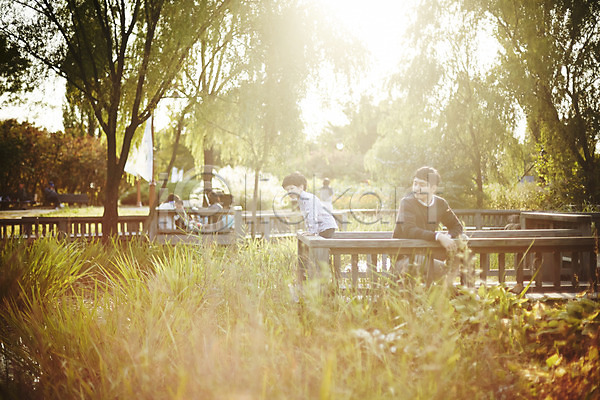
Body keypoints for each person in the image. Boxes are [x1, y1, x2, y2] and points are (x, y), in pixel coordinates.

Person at [392, 166, 464, 284]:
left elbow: (457, 226)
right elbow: (409, 230)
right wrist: (438, 236)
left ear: (433, 188)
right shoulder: (407, 203)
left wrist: (448, 237)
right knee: (439, 269)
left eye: (422, 185)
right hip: (405, 258)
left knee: (462, 240)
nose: (416, 188)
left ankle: (447, 289)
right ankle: (445, 289)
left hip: (428, 256)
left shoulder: (440, 204)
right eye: (415, 183)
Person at [282, 172, 338, 238]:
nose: (289, 192)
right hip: (321, 227)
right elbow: (306, 216)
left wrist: (312, 231)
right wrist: (309, 230)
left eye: (292, 188)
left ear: (301, 187)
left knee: (317, 243)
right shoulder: (300, 199)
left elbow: (312, 215)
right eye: (287, 190)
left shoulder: (308, 198)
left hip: (326, 227)